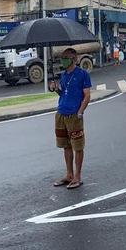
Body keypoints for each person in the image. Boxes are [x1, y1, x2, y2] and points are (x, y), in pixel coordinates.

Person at [49, 48, 91, 189]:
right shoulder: (63, 75)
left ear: (74, 59)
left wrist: (80, 112)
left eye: (66, 57)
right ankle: (69, 174)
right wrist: (56, 89)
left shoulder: (82, 74)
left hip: (74, 115)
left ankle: (78, 176)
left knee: (77, 146)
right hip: (61, 113)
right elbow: (63, 93)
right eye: (62, 57)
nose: (63, 59)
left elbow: (87, 96)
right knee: (66, 145)